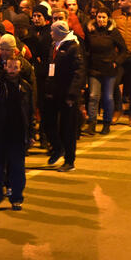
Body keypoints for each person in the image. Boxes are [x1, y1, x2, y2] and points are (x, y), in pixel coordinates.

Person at [0, 57, 34, 210]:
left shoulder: (25, 87)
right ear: (5, 67)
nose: (12, 70)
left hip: (17, 135)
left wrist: (31, 134)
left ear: (20, 68)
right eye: (10, 66)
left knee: (17, 169)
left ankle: (16, 198)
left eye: (15, 67)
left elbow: (30, 112)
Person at [45, 20, 85, 172]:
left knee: (68, 127)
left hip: (67, 94)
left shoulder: (73, 48)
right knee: (50, 123)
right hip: (54, 93)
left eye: (52, 31)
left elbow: (79, 72)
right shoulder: (54, 46)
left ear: (59, 32)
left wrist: (72, 94)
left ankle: (69, 160)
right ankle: (57, 147)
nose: (50, 33)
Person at [84, 8, 128, 135]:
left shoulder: (113, 32)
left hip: (109, 69)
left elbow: (123, 50)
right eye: (99, 17)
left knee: (108, 97)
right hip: (94, 68)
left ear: (108, 18)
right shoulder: (91, 30)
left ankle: (106, 123)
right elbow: (86, 48)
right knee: (93, 96)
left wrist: (116, 62)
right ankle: (91, 124)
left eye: (103, 17)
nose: (101, 20)